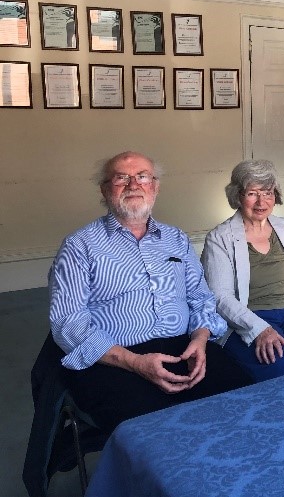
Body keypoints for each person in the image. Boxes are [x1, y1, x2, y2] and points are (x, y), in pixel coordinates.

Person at [49, 151, 251, 434]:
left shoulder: (176, 239)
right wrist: (133, 362)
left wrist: (201, 339)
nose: (134, 184)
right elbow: (68, 323)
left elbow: (200, 297)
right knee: (158, 435)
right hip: (116, 359)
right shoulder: (78, 246)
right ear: (105, 190)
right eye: (122, 178)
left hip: (185, 347)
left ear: (154, 186)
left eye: (142, 177)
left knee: (245, 404)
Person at [201, 160, 284, 382]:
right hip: (252, 313)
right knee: (281, 365)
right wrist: (258, 329)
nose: (261, 202)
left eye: (267, 192)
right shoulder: (220, 238)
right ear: (237, 196)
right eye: (252, 193)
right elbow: (220, 296)